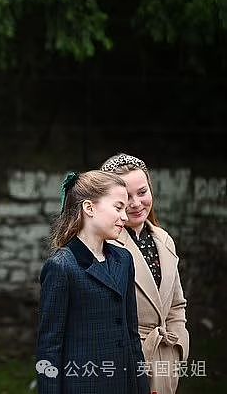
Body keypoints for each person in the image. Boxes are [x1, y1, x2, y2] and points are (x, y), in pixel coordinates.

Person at [37, 170, 150, 393]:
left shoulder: (124, 259)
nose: (125, 217)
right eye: (118, 207)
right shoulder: (62, 266)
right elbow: (49, 347)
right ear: (89, 208)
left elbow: (132, 335)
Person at [101, 153, 189, 394]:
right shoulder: (104, 246)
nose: (136, 203)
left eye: (142, 192)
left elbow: (176, 304)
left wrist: (178, 347)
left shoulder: (164, 240)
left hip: (165, 356)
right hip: (124, 362)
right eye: (126, 197)